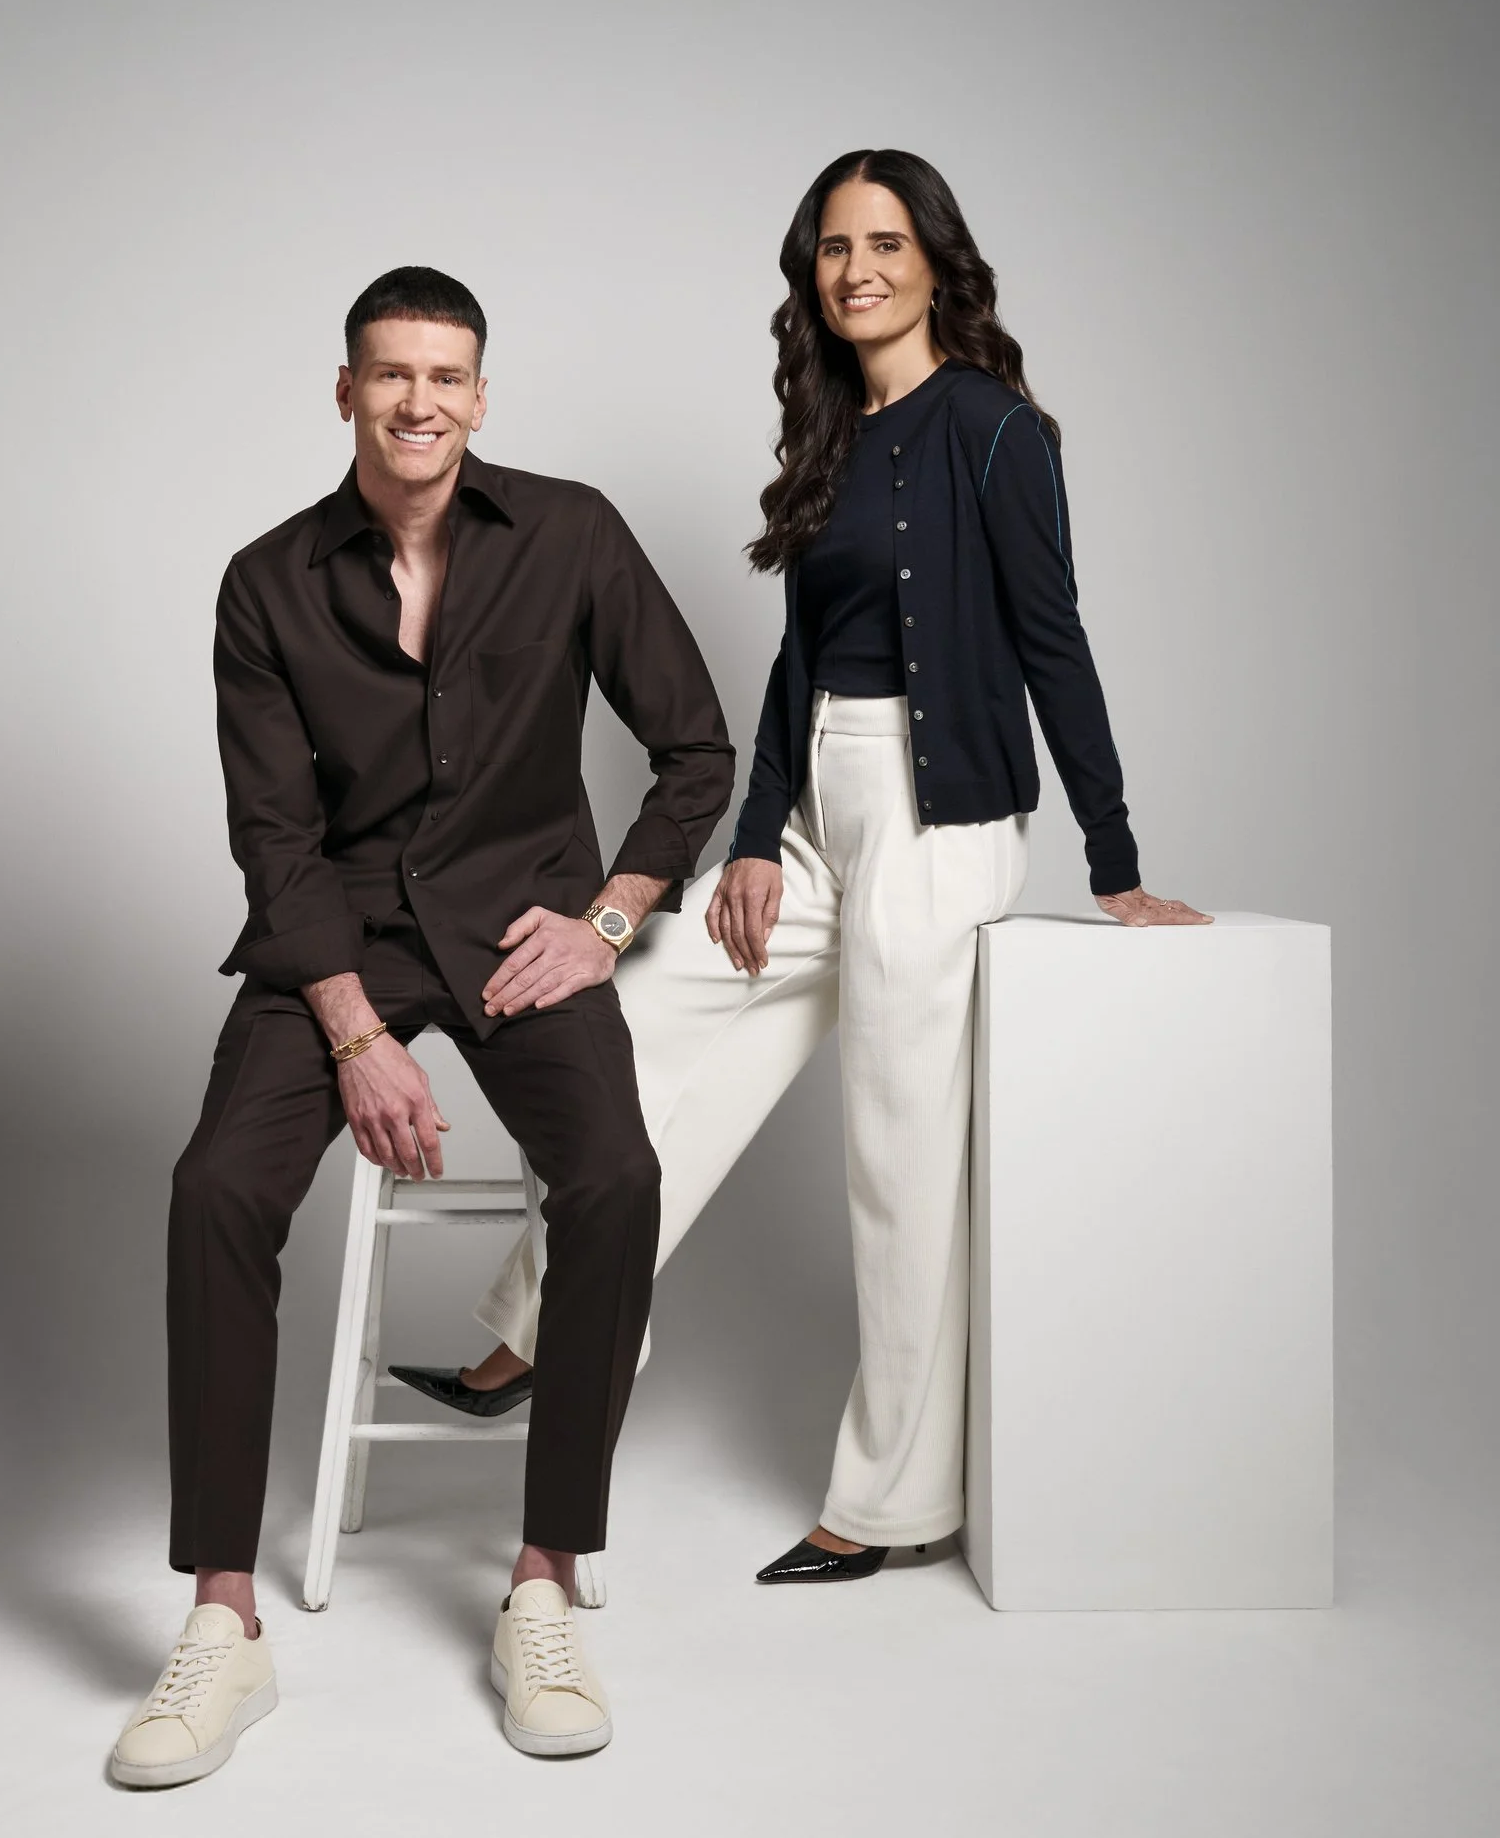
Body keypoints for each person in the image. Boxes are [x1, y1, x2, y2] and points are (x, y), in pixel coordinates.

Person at [392, 150, 1207, 1583]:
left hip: (937, 821)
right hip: (821, 804)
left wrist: (1116, 858)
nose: (858, 270)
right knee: (637, 1026)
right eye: (835, 247)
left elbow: (1053, 641)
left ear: (936, 261)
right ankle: (543, 1321)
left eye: (885, 242)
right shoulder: (835, 432)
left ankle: (892, 1502)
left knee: (900, 1161)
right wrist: (757, 837)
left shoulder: (997, 431)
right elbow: (797, 664)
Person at [109, 266, 733, 1783]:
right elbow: (274, 834)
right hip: (342, 942)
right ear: (346, 392)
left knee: (618, 1180)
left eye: (446, 376)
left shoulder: (571, 534)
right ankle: (222, 1620)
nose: (418, 402)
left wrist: (604, 925)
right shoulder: (267, 582)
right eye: (391, 374)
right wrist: (349, 1029)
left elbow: (696, 752)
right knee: (217, 1189)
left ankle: (543, 1584)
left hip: (527, 937)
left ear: (481, 395)